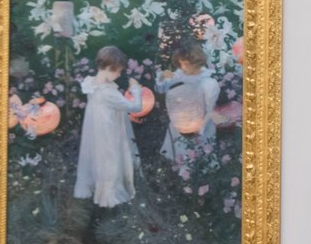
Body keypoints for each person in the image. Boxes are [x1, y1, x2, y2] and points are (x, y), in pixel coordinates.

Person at [73, 46, 143, 209]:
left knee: (100, 158)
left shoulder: (91, 84)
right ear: (110, 68)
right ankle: (109, 195)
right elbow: (135, 108)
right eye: (118, 71)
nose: (119, 75)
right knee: (111, 159)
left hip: (97, 130)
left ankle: (98, 187)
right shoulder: (109, 93)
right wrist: (136, 90)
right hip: (109, 131)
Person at [156, 43, 220, 163]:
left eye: (185, 63)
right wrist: (162, 78)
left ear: (195, 62)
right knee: (180, 155)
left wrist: (199, 129)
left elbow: (209, 109)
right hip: (180, 120)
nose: (182, 67)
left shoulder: (208, 82)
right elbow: (162, 89)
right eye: (180, 64)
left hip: (200, 123)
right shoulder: (180, 75)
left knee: (199, 157)